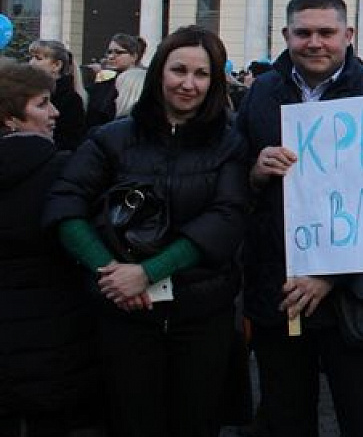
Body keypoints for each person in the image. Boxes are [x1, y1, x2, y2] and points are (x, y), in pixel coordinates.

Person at [44, 26, 250, 437]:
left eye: (202, 74)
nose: (188, 84)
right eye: (179, 70)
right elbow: (65, 206)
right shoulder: (110, 138)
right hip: (123, 314)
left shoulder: (229, 143)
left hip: (200, 314)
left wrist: (149, 272)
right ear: (159, 72)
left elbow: (226, 218)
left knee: (197, 422)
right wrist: (110, 272)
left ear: (214, 82)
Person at [235, 0, 363, 437]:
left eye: (326, 32)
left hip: (357, 298)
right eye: (303, 33)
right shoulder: (262, 93)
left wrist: (333, 274)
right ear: (285, 35)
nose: (315, 43)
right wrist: (255, 172)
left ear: (349, 35)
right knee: (285, 417)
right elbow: (232, 180)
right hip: (279, 292)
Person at [0, 60, 100, 436]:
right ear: (10, 116)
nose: (55, 112)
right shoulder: (62, 169)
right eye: (42, 103)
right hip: (54, 322)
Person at [28, 38, 88, 150]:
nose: (31, 63)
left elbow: (70, 141)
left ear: (56, 65)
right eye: (31, 57)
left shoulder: (71, 100)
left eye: (38, 58)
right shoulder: (32, 92)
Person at [85, 33, 147, 129]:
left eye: (118, 52)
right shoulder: (99, 88)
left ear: (134, 56)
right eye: (109, 52)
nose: (111, 57)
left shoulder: (145, 85)